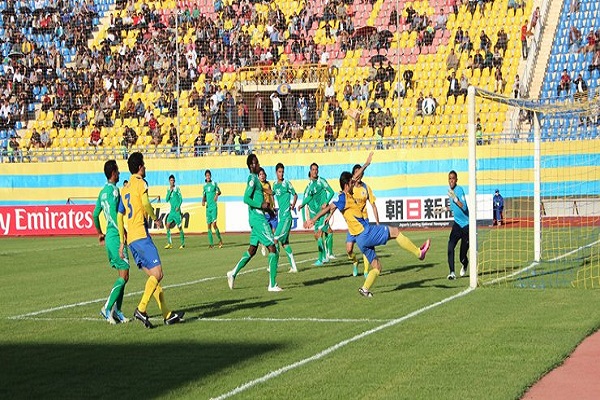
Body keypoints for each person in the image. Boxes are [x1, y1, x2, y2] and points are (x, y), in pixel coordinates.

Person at [306, 152, 430, 297]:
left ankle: (365, 289)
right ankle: (418, 253)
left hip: (360, 240)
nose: (355, 183)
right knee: (395, 231)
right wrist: (314, 220)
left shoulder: (347, 194)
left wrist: (366, 164)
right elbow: (328, 207)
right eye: (351, 183)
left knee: (377, 267)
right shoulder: (343, 198)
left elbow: (355, 177)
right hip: (366, 232)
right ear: (346, 185)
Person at [119, 152, 184, 328]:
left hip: (132, 239)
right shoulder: (141, 183)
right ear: (139, 166)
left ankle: (167, 314)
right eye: (144, 165)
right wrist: (155, 217)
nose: (145, 167)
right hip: (141, 235)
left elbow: (120, 214)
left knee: (153, 279)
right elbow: (146, 203)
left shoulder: (125, 188)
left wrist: (122, 239)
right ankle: (141, 309)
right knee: (158, 274)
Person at [226, 154, 283, 292]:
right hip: (258, 219)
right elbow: (246, 198)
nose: (258, 165)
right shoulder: (252, 179)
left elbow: (262, 194)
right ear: (251, 165)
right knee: (273, 248)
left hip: (256, 217)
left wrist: (269, 209)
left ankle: (232, 273)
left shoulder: (256, 180)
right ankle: (272, 284)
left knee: (252, 250)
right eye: (256, 163)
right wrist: (261, 204)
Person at [93, 160, 130, 324]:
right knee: (125, 274)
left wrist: (100, 232)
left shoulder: (102, 193)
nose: (120, 174)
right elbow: (117, 216)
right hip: (116, 236)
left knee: (123, 275)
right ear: (113, 173)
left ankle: (118, 311)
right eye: (118, 171)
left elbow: (95, 214)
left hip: (109, 236)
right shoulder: (115, 191)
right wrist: (123, 233)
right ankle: (107, 308)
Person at [345, 164, 380, 277]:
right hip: (353, 223)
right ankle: (355, 261)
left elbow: (373, 206)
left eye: (361, 172)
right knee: (349, 249)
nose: (359, 174)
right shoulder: (351, 188)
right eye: (357, 172)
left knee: (366, 247)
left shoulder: (366, 188)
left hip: (364, 221)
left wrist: (378, 222)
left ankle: (365, 271)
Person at [297, 163, 336, 266]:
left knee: (320, 233)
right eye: (313, 169)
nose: (315, 171)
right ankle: (325, 256)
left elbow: (331, 192)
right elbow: (309, 197)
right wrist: (302, 205)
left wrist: (326, 202)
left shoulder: (321, 181)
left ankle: (322, 258)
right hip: (315, 216)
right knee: (317, 235)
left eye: (316, 169)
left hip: (323, 213)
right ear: (310, 171)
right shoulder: (309, 186)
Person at [436, 170, 469, 280]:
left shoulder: (459, 190)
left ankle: (465, 264)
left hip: (466, 226)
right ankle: (452, 273)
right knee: (450, 246)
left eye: (453, 178)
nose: (451, 180)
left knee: (462, 256)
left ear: (456, 179)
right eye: (449, 178)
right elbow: (453, 207)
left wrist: (455, 199)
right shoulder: (450, 192)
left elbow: (464, 207)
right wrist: (443, 209)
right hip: (457, 225)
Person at [273, 163, 299, 273]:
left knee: (274, 239)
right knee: (285, 243)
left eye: (282, 172)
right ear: (276, 172)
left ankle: (273, 265)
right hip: (281, 217)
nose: (281, 174)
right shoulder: (274, 184)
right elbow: (272, 195)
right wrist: (273, 206)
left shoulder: (286, 183)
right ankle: (294, 267)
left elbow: (295, 194)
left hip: (286, 217)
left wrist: (293, 205)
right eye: (279, 172)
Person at [258, 167, 278, 257]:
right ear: (258, 176)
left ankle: (271, 249)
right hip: (263, 210)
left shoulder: (268, 184)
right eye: (260, 175)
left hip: (270, 209)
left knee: (274, 231)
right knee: (267, 232)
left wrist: (273, 206)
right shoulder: (258, 185)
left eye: (263, 174)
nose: (262, 176)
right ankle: (263, 244)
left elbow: (271, 194)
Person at [202, 169, 223, 248]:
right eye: (206, 176)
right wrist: (203, 201)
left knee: (214, 225)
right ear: (205, 177)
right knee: (208, 226)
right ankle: (211, 244)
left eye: (209, 175)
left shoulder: (214, 184)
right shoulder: (204, 186)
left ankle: (220, 240)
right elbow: (204, 195)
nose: (208, 177)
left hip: (213, 207)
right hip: (208, 208)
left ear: (210, 176)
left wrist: (216, 195)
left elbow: (219, 191)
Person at [164, 175, 185, 249]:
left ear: (174, 181)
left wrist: (178, 206)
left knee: (179, 227)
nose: (172, 182)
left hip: (177, 211)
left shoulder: (177, 189)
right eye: (170, 180)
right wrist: (170, 191)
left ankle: (182, 243)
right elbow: (166, 199)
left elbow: (181, 199)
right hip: (172, 211)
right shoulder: (168, 189)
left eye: (173, 180)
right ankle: (169, 243)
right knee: (167, 225)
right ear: (169, 181)